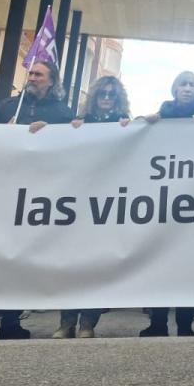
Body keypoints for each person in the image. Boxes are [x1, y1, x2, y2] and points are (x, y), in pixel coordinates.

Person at [0, 61, 72, 341]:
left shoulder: (62, 112)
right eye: (30, 73)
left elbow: (72, 146)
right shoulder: (8, 106)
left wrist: (52, 132)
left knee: (21, 259)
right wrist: (1, 131)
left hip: (35, 196)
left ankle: (11, 321)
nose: (32, 78)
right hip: (0, 191)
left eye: (38, 74)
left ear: (51, 81)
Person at [143, 71, 194, 335]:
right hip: (165, 200)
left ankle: (185, 325)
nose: (187, 89)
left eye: (192, 85)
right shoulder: (161, 115)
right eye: (183, 84)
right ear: (174, 89)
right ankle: (158, 323)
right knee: (161, 265)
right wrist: (145, 123)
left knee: (189, 265)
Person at [54, 76, 132, 340]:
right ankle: (66, 322)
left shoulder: (125, 123)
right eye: (102, 94)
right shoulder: (79, 122)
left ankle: (88, 322)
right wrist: (71, 129)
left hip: (108, 204)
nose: (106, 98)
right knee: (71, 264)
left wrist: (130, 128)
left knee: (98, 265)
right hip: (77, 202)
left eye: (112, 94)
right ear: (95, 96)